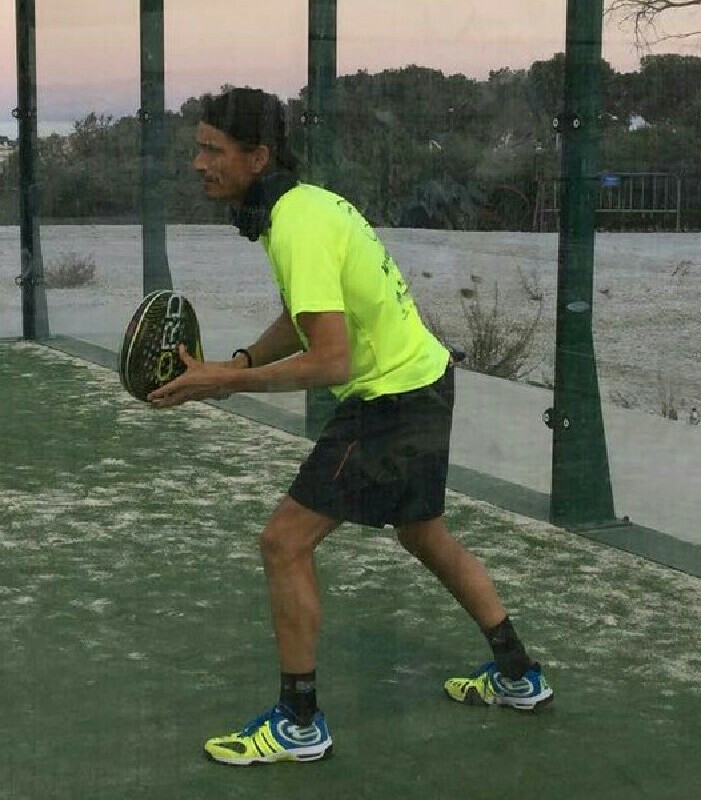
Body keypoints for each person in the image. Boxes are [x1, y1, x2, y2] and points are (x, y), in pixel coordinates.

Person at [148, 87, 553, 766]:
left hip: (391, 400)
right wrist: (239, 362)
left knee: (283, 543)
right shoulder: (302, 206)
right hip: (425, 379)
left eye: (213, 150)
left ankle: (298, 723)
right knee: (423, 533)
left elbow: (330, 359)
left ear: (257, 156)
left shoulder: (296, 225)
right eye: (199, 148)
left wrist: (224, 383)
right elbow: (306, 316)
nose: (199, 163)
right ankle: (519, 674)